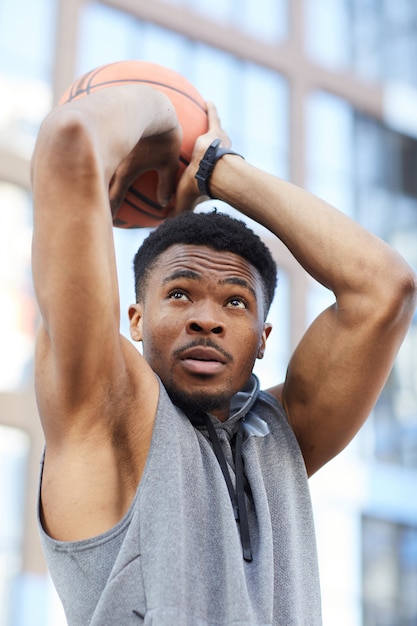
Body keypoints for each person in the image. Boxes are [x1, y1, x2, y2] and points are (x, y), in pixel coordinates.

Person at [31, 82, 416, 626]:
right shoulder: (105, 410)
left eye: (235, 302)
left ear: (263, 338)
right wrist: (164, 115)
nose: (207, 318)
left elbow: (385, 288)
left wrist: (217, 167)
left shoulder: (280, 439)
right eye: (180, 293)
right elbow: (68, 139)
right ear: (135, 320)